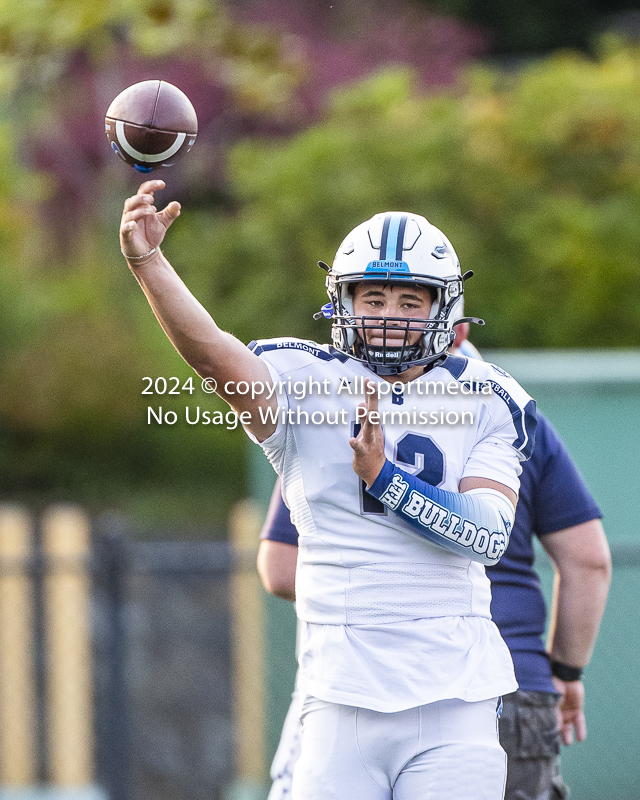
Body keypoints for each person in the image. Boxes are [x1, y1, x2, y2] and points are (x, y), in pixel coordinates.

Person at [120, 182, 538, 799]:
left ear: (444, 308)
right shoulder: (301, 380)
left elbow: (486, 535)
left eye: (409, 300)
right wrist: (148, 264)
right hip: (340, 695)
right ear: (342, 301)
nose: (390, 316)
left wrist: (387, 480)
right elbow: (212, 356)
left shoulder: (488, 397)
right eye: (373, 297)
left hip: (457, 697)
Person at [258, 328, 611, 800]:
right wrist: (566, 672)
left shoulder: (334, 409)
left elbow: (278, 566)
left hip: (362, 677)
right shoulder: (506, 412)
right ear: (460, 327)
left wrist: (380, 599)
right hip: (507, 677)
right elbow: (589, 561)